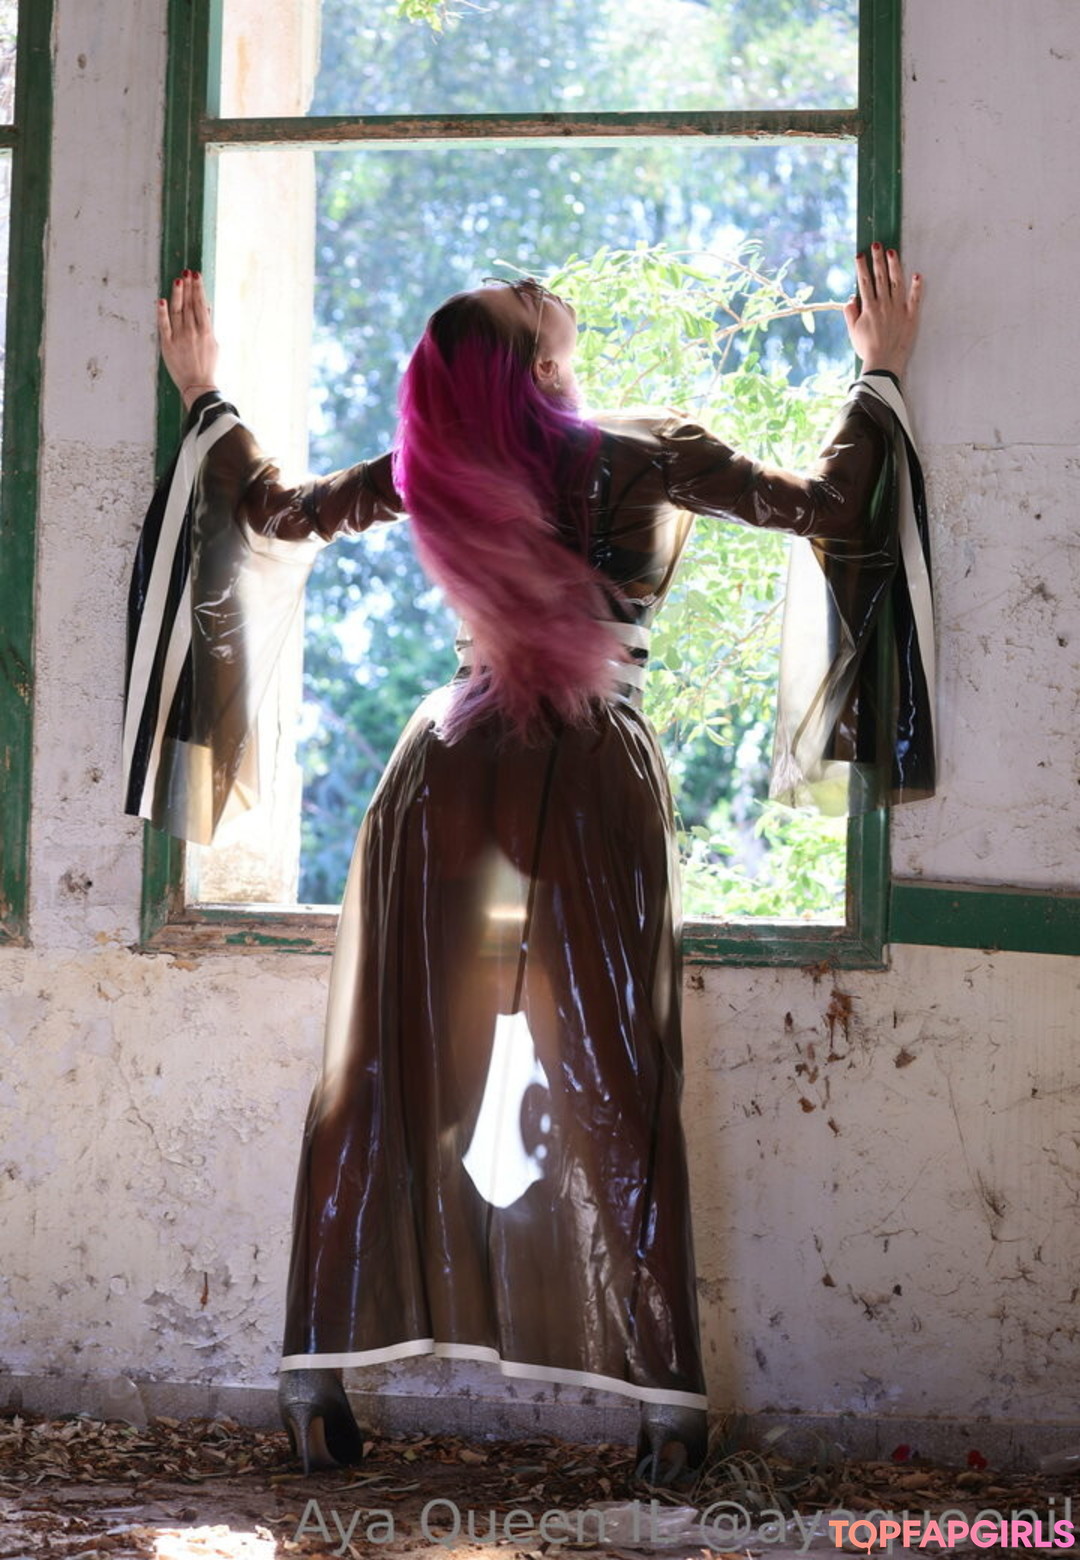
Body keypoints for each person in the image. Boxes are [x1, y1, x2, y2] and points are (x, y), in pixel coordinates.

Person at [147, 245, 925, 1484]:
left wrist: (205, 395)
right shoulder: (648, 450)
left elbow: (276, 512)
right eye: (523, 300)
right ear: (544, 367)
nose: (535, 282)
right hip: (585, 767)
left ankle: (311, 1379)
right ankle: (666, 1408)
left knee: (384, 1060)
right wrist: (878, 376)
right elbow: (831, 507)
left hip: (441, 770)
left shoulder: (436, 465)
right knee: (613, 1064)